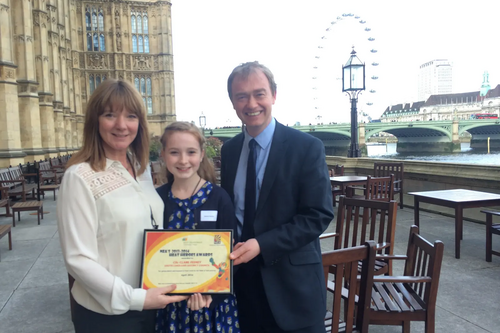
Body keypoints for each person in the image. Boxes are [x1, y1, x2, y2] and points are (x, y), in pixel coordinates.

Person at [57, 79, 187, 333]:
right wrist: (136, 299)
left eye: (130, 116)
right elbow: (78, 259)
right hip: (109, 315)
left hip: (151, 304)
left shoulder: (140, 168)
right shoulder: (79, 176)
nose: (121, 125)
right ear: (95, 121)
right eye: (109, 115)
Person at [221, 62, 334, 333]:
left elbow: (317, 215)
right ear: (233, 103)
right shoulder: (230, 151)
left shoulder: (306, 147)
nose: (251, 103)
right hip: (241, 286)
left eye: (259, 94)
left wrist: (262, 244)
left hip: (292, 290)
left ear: (274, 95)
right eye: (241, 96)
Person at [155, 121, 240, 333]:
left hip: (211, 305)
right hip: (168, 303)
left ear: (201, 154)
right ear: (163, 155)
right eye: (174, 152)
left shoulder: (219, 198)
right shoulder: (157, 199)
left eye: (191, 152)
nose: (183, 160)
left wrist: (213, 293)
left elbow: (232, 252)